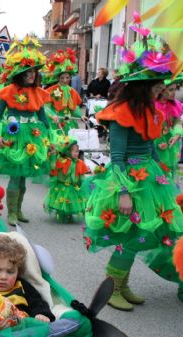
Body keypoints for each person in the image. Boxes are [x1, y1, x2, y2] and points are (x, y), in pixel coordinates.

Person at [84, 27, 183, 309]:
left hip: (149, 180)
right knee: (129, 235)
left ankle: (122, 284)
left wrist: (162, 176)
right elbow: (116, 158)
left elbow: (151, 146)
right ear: (142, 87)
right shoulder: (120, 113)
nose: (161, 89)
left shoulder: (150, 110)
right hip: (125, 179)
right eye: (156, 85)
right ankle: (112, 286)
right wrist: (124, 193)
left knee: (138, 235)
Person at [0, 36, 51, 226]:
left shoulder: (38, 93)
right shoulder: (8, 91)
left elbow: (43, 117)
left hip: (32, 136)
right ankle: (11, 213)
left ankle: (18, 210)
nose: (32, 75)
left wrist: (51, 139)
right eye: (28, 71)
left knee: (23, 178)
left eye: (34, 71)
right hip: (14, 135)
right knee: (15, 175)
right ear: (19, 74)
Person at [44, 136, 89, 223]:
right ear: (68, 152)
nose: (77, 153)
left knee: (72, 202)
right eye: (75, 151)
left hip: (74, 186)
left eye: (78, 151)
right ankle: (61, 214)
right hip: (63, 186)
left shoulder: (80, 163)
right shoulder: (63, 161)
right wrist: (53, 155)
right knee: (62, 202)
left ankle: (70, 214)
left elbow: (81, 175)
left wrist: (83, 183)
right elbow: (53, 167)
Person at [43, 49, 83, 134]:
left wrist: (81, 115)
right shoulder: (51, 90)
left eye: (67, 77)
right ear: (58, 78)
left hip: (68, 121)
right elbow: (46, 107)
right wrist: (52, 115)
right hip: (56, 121)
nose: (65, 80)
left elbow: (74, 108)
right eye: (62, 78)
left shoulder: (72, 91)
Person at [154, 80, 182, 176]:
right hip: (156, 142)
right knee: (158, 172)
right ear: (161, 90)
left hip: (170, 141)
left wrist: (178, 134)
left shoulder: (174, 104)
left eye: (175, 89)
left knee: (170, 172)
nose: (174, 93)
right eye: (171, 90)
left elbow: (177, 121)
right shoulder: (152, 105)